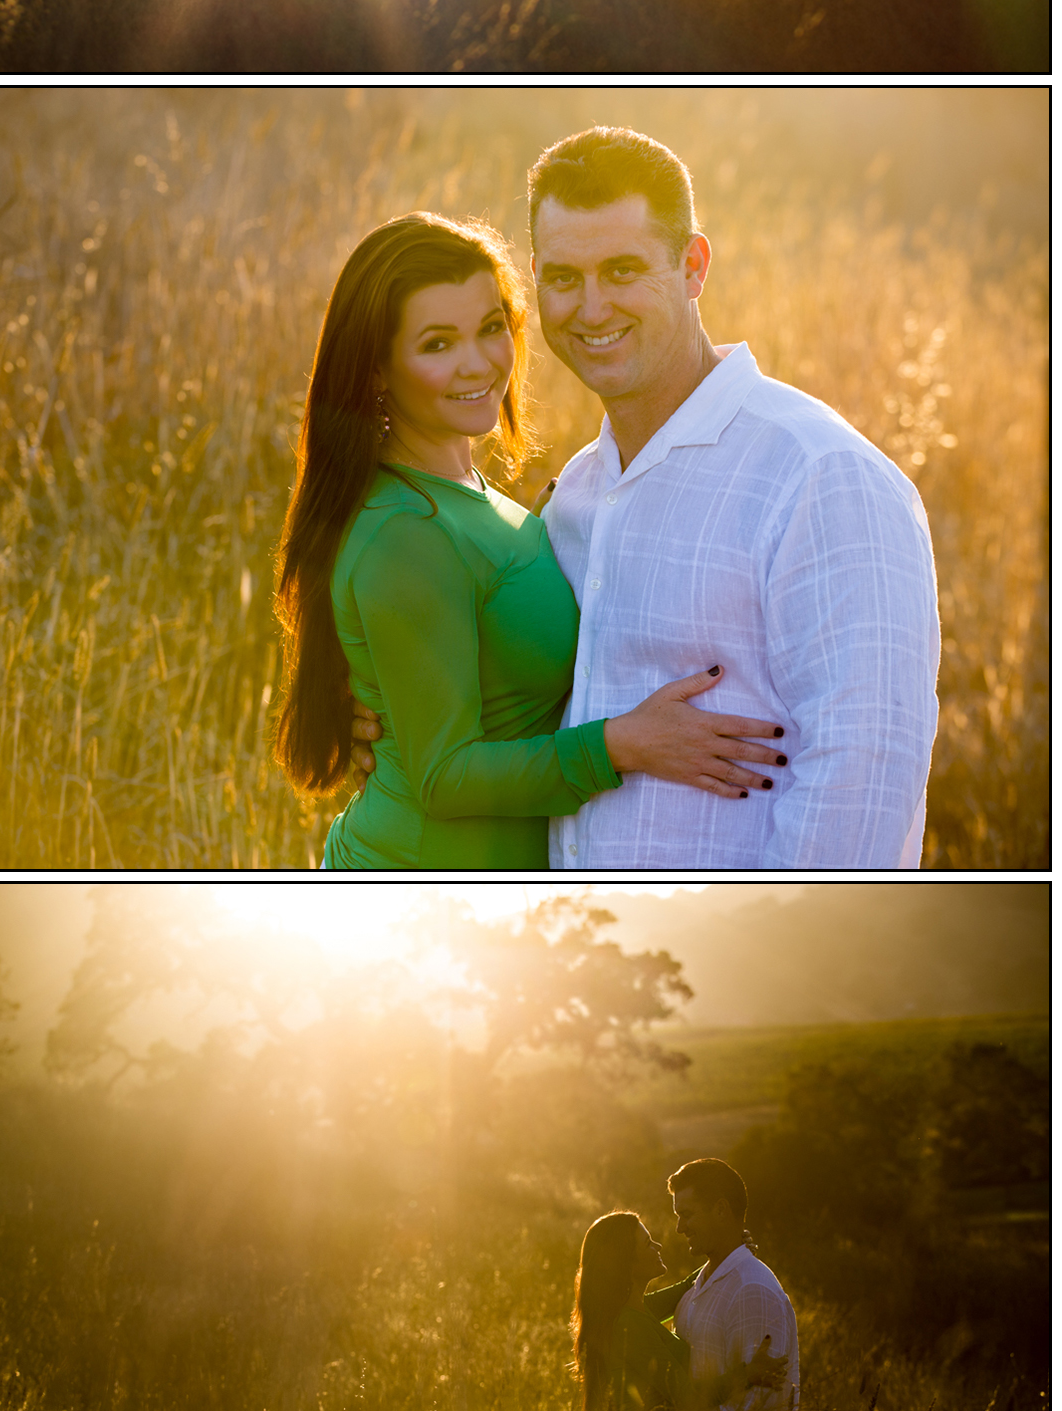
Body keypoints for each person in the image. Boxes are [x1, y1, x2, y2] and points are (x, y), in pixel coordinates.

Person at [274, 206, 786, 869]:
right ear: (377, 368)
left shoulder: (476, 498)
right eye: (436, 343)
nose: (478, 362)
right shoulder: (406, 531)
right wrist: (623, 743)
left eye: (491, 328)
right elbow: (443, 776)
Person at [527, 126, 941, 873]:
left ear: (693, 266)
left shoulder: (819, 472)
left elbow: (864, 773)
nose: (590, 308)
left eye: (623, 270)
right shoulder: (573, 498)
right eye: (563, 276)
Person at [574, 1164, 799, 1411]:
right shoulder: (631, 1323)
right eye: (647, 1244)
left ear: (722, 1210)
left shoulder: (642, 1310)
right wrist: (744, 1374)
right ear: (628, 1265)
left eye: (686, 1215)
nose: (669, 1235)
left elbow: (678, 1294)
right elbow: (688, 1394)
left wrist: (725, 1260)